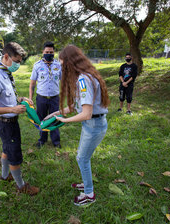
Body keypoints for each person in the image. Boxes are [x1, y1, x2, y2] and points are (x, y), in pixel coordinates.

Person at [44, 45, 110, 206]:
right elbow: (76, 107)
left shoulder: (83, 79)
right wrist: (56, 113)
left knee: (82, 158)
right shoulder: (85, 76)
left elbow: (86, 113)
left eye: (62, 65)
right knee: (82, 156)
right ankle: (86, 183)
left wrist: (64, 121)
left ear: (69, 63)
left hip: (93, 124)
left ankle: (89, 194)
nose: (61, 69)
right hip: (92, 124)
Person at [0, 42, 39, 196]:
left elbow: (6, 98)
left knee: (7, 149)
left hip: (10, 124)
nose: (18, 65)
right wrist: (12, 109)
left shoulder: (6, 73)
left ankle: (5, 175)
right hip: (5, 124)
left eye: (20, 62)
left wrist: (21, 100)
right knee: (14, 155)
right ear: (6, 57)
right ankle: (21, 186)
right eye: (17, 61)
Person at [29, 41, 62, 149]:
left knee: (55, 118)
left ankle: (56, 141)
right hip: (41, 98)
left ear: (54, 52)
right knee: (41, 119)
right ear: (43, 52)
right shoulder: (37, 66)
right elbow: (32, 83)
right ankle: (42, 140)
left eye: (51, 52)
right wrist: (30, 98)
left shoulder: (58, 65)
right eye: (47, 51)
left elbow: (63, 80)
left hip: (54, 98)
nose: (49, 53)